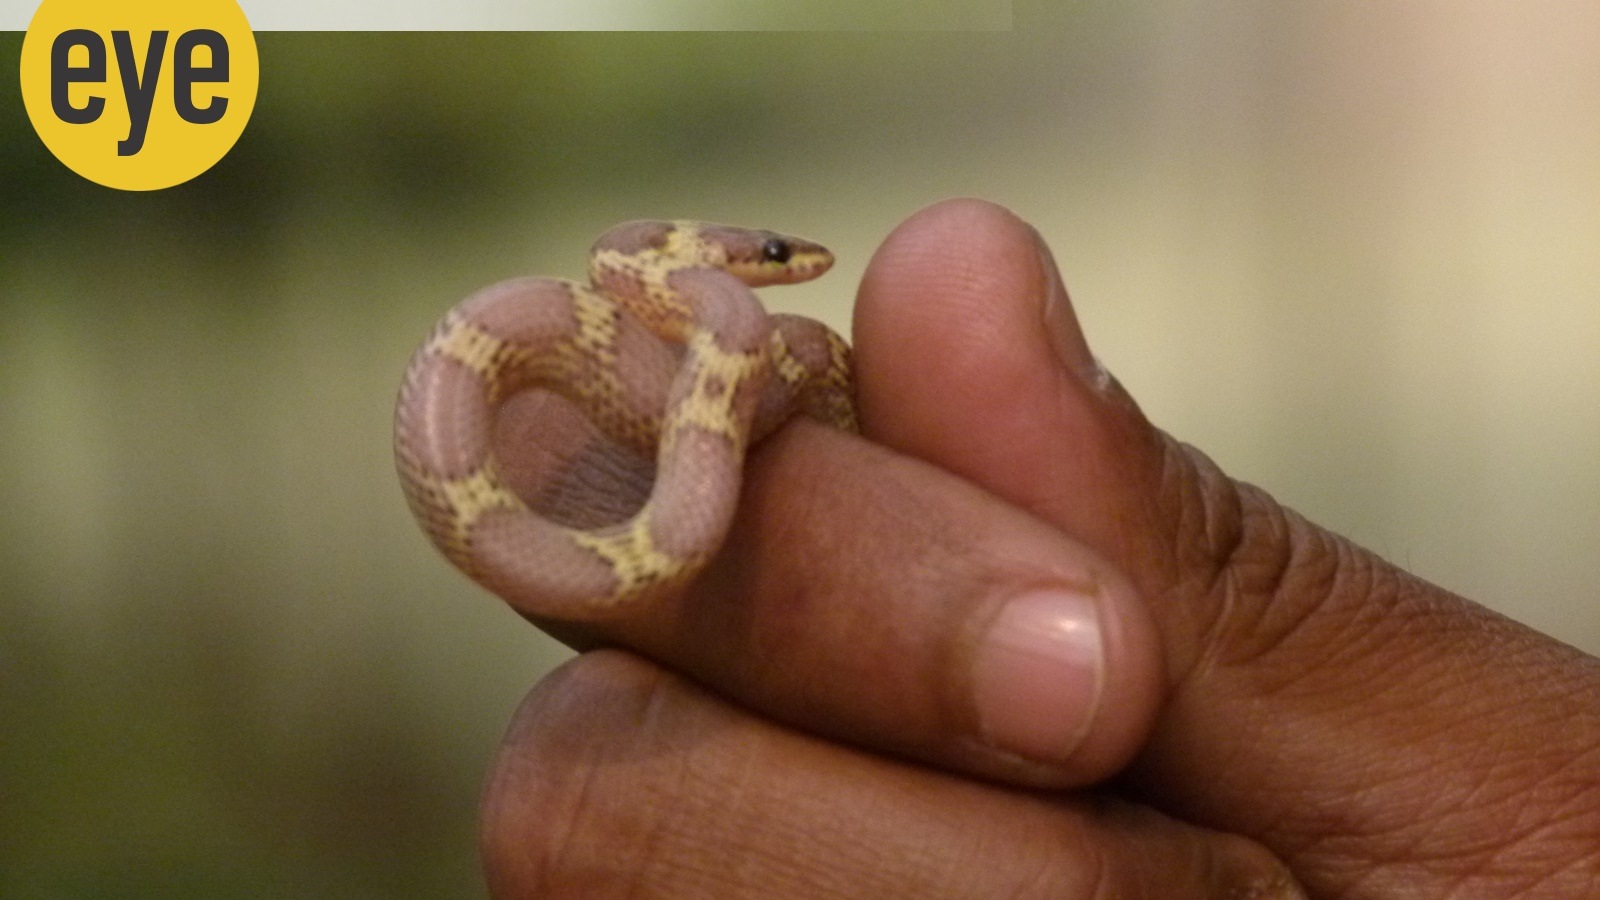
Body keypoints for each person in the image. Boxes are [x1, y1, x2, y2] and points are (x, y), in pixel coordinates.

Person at [477, 199, 1600, 898]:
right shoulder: (712, 324)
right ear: (686, 262)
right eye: (771, 257)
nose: (787, 267)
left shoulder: (738, 345)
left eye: (770, 257)